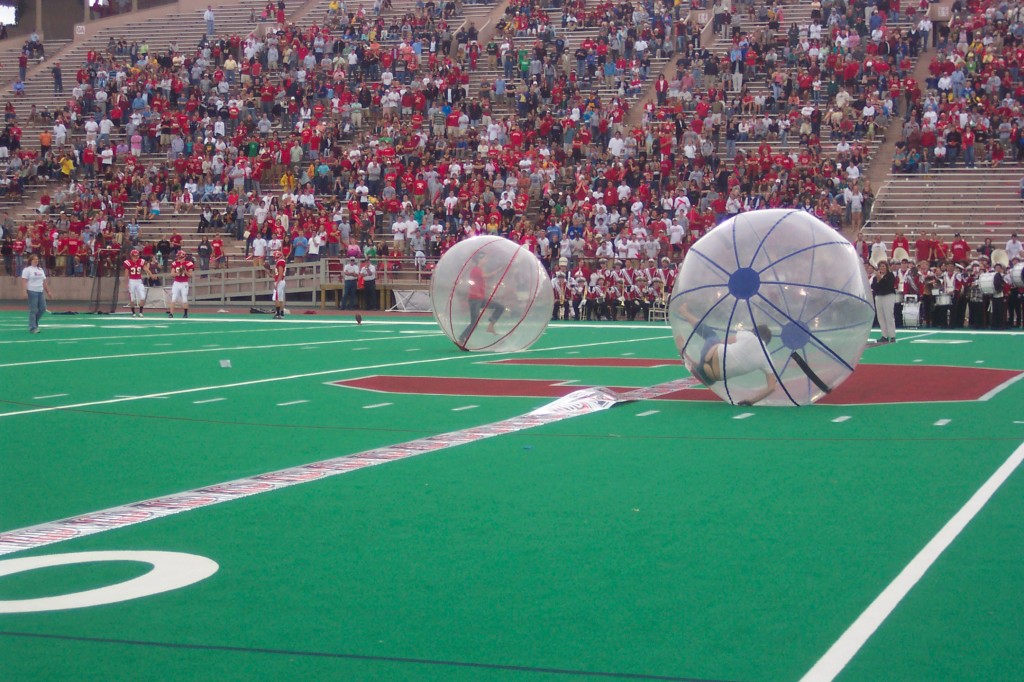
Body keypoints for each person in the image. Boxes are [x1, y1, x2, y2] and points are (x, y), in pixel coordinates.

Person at [680, 308, 778, 405]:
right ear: (767, 342)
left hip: (709, 356)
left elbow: (724, 341)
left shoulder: (749, 336)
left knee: (711, 335)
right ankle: (696, 364)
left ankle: (684, 312)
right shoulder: (767, 358)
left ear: (755, 331)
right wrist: (751, 401)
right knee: (717, 365)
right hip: (710, 378)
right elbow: (772, 387)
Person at [456, 253, 505, 350]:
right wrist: (498, 271)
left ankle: (490, 325)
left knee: (500, 307)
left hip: (481, 299)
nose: (486, 261)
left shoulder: (479, 270)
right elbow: (485, 276)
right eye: (484, 259)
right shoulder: (476, 270)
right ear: (479, 260)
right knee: (474, 322)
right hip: (475, 299)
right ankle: (461, 339)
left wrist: (488, 287)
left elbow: (479, 283)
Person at [21, 254, 51, 333]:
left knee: (43, 308)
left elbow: (44, 282)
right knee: (33, 310)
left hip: (40, 291)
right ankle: (32, 327)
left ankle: (35, 322)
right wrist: (24, 291)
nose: (36, 260)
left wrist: (48, 291)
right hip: (32, 291)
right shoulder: (27, 270)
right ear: (30, 261)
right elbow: (24, 281)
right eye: (34, 259)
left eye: (37, 259)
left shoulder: (40, 270)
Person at [871, 260, 898, 343]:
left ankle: (892, 335)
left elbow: (888, 285)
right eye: (880, 266)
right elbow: (874, 286)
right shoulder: (876, 277)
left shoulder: (890, 275)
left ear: (887, 267)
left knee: (889, 315)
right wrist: (878, 280)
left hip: (888, 296)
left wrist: (881, 279)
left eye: (883, 266)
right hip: (879, 297)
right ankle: (884, 335)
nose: (882, 268)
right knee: (881, 317)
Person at [123, 248, 151, 317]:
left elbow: (146, 269)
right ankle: (133, 312)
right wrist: (126, 283)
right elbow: (126, 274)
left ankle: (141, 311)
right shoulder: (128, 263)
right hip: (132, 281)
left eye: (137, 256)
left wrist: (152, 275)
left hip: (139, 281)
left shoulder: (140, 261)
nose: (136, 257)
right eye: (134, 256)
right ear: (131, 256)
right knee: (132, 299)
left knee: (143, 297)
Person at [168, 251, 193, 318]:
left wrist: (185, 271)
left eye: (181, 257)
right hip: (176, 283)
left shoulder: (188, 263)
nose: (180, 258)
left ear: (184, 257)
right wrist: (178, 273)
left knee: (184, 298)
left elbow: (190, 275)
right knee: (173, 298)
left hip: (184, 283)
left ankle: (185, 314)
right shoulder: (175, 263)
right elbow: (172, 274)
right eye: (179, 257)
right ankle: (171, 313)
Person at [270, 249, 286, 318]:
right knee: (280, 298)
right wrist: (269, 273)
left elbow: (280, 274)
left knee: (275, 298)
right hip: (281, 281)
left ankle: (278, 313)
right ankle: (281, 313)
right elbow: (277, 275)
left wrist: (276, 284)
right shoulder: (281, 262)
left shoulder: (280, 262)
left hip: (280, 282)